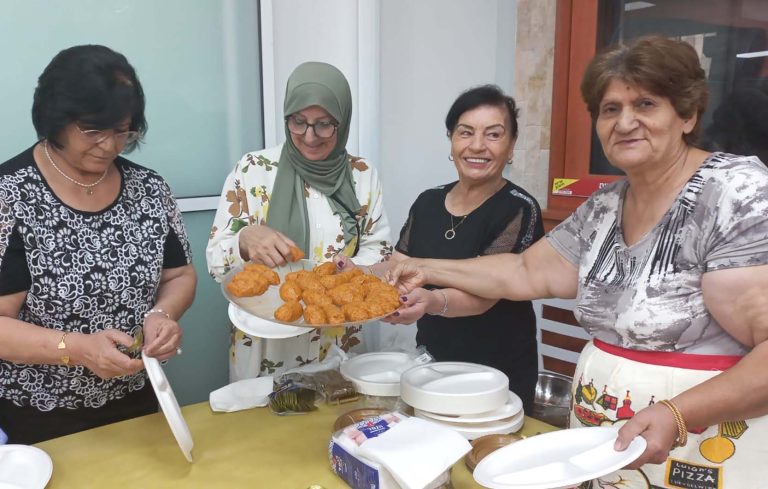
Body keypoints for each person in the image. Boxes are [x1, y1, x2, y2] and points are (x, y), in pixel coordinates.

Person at [388, 35, 768, 488]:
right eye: (610, 109)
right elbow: (524, 270)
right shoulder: (605, 206)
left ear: (687, 114)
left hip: (696, 450)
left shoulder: (734, 193)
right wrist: (426, 269)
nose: (624, 122)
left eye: (645, 104)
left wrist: (678, 413)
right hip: (607, 446)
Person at [0, 45, 196, 444]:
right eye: (93, 131)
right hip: (40, 414)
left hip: (138, 397)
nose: (109, 145)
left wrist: (162, 314)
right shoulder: (10, 197)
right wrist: (77, 349)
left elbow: (179, 275)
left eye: (122, 131)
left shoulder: (149, 189)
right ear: (55, 119)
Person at [338, 85, 543, 412]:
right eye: (466, 132)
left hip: (494, 373)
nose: (477, 145)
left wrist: (431, 301)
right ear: (451, 139)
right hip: (431, 363)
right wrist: (358, 273)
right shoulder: (428, 201)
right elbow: (399, 264)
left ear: (512, 144)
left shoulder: (518, 208)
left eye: (493, 134)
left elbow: (488, 293)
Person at [207, 62, 392, 381]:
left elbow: (381, 251)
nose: (309, 136)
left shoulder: (362, 175)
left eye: (324, 124)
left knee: (338, 409)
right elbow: (216, 264)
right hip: (267, 338)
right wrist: (244, 240)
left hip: (338, 334)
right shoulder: (254, 170)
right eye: (299, 122)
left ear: (343, 120)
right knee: (267, 410)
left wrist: (347, 272)